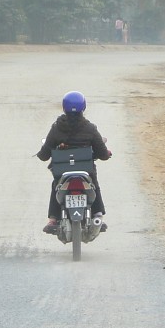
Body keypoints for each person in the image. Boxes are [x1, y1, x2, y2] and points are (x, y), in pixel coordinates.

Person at [36, 91, 112, 234]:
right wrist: (106, 154)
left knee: (56, 186)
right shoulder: (90, 128)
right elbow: (102, 154)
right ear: (83, 107)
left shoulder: (57, 128)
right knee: (94, 185)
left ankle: (53, 219)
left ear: (64, 107)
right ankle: (97, 215)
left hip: (62, 172)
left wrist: (41, 154)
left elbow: (45, 154)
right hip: (86, 171)